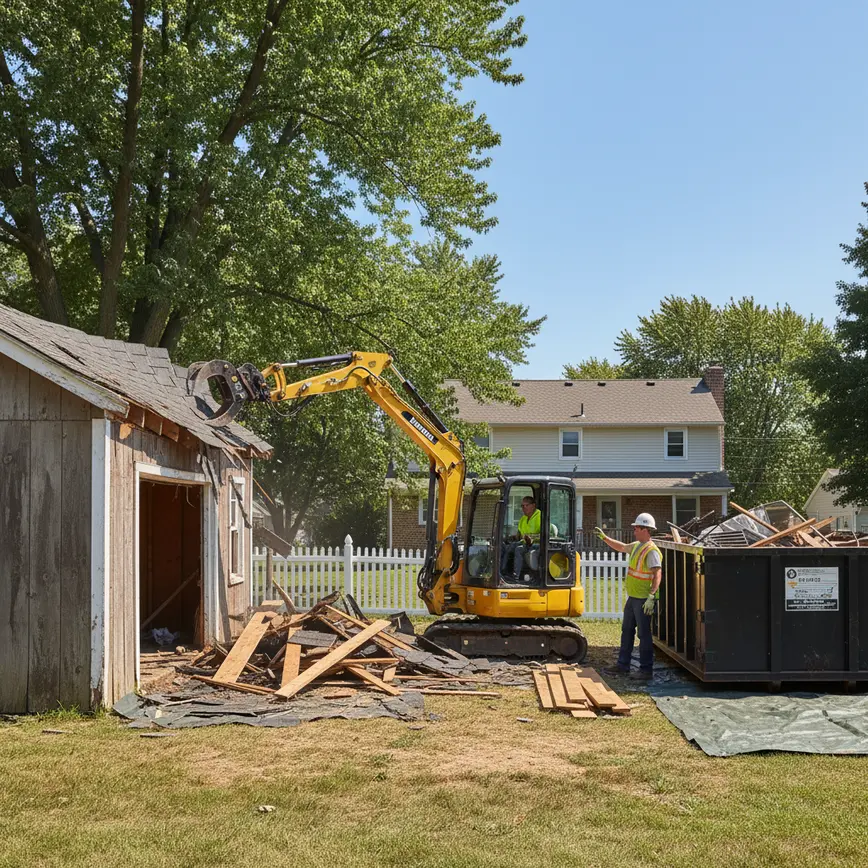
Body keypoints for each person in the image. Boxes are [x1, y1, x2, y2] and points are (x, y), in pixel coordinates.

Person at [596, 513, 662, 681]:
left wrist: (652, 596)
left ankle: (646, 670)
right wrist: (605, 538)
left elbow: (657, 574)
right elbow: (622, 547)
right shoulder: (637, 546)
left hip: (642, 600)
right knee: (627, 631)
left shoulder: (651, 550)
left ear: (646, 530)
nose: (634, 531)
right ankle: (622, 665)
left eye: (636, 528)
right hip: (633, 598)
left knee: (644, 635)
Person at [501, 496, 541, 577]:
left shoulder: (540, 517)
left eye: (526, 505)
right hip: (525, 543)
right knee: (509, 546)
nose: (524, 508)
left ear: (533, 505)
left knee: (519, 549)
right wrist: (509, 537)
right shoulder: (523, 519)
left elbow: (545, 534)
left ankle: (516, 576)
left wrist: (531, 538)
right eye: (522, 506)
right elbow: (518, 535)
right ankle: (502, 571)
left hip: (538, 544)